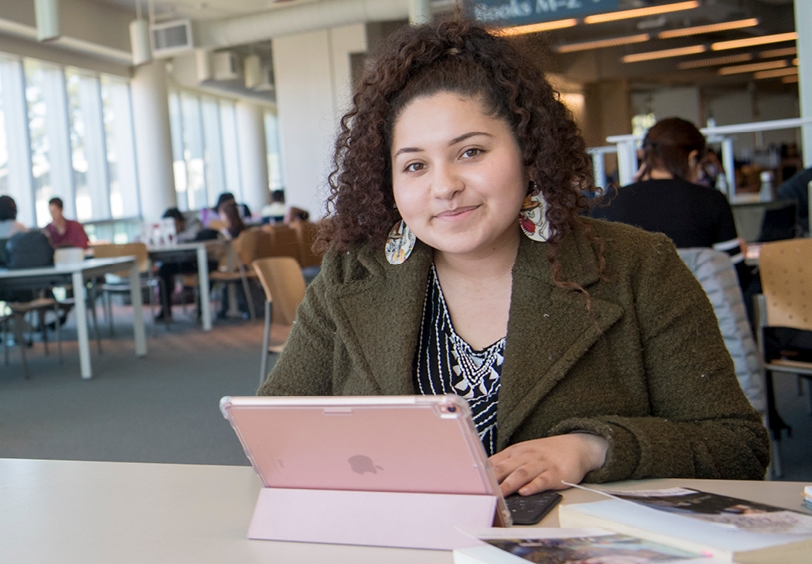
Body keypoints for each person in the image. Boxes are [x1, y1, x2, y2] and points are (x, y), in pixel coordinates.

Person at [258, 18, 767, 498]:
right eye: (414, 165)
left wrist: (592, 447)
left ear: (528, 150)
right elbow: (276, 434)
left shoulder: (638, 266)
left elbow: (736, 445)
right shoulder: (351, 276)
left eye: (471, 152)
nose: (444, 187)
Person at [589, 118, 751, 291]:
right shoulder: (711, 200)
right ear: (692, 157)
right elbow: (735, 276)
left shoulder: (609, 202)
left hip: (630, 314)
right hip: (697, 311)